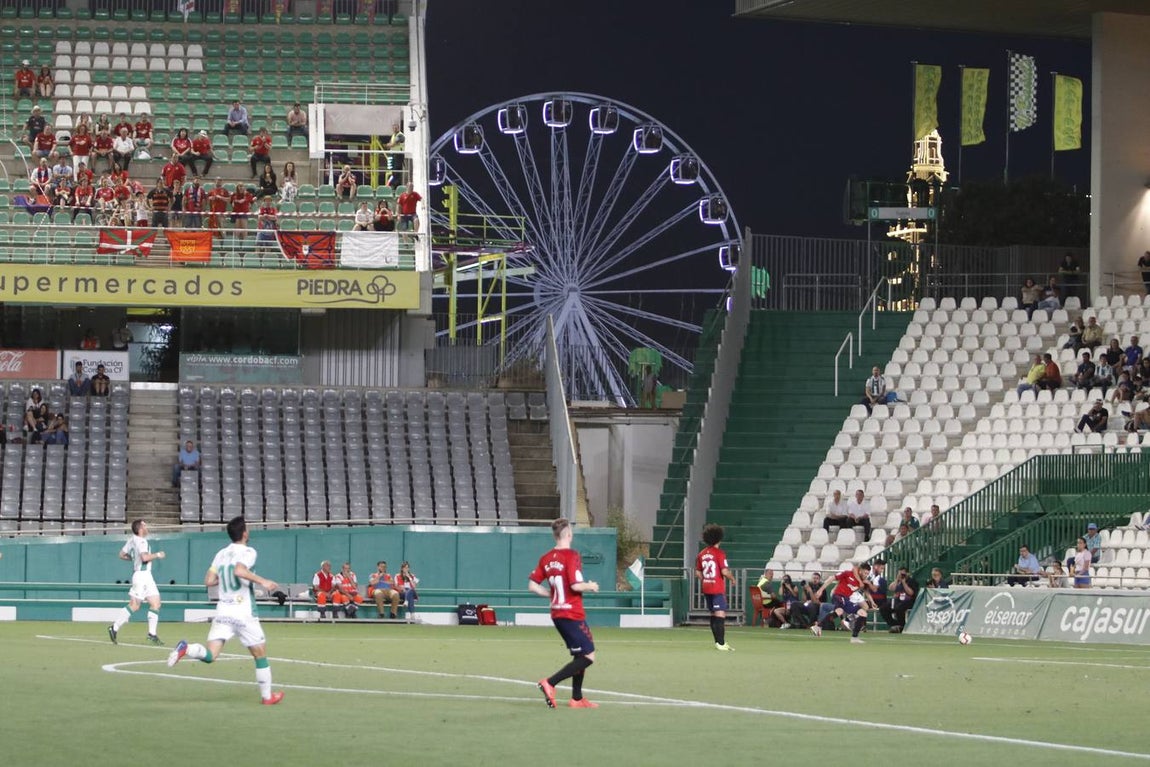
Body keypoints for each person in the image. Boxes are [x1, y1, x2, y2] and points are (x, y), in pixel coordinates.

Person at [166, 516, 285, 706]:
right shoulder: (249, 551)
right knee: (260, 654)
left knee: (211, 655)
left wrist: (224, 578)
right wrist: (264, 582)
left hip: (223, 611)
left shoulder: (221, 553)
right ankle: (267, 696)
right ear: (244, 533)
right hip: (243, 611)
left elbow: (208, 580)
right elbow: (239, 570)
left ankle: (186, 648)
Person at [529, 518, 601, 709]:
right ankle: (550, 683)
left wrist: (551, 595)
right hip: (572, 613)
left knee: (580, 656)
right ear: (568, 534)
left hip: (557, 614)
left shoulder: (546, 558)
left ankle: (576, 698)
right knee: (588, 656)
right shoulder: (571, 555)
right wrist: (591, 586)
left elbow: (532, 586)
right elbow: (575, 585)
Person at [108, 519, 166, 645]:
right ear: (140, 529)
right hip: (141, 576)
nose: (147, 528)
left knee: (156, 603)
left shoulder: (132, 539)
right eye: (145, 526)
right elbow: (145, 558)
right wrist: (158, 555)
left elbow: (122, 555)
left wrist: (134, 559)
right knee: (134, 605)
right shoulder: (142, 541)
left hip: (146, 576)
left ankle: (152, 634)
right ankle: (114, 627)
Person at [695, 523, 736, 651]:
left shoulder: (701, 554)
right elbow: (724, 571)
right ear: (719, 538)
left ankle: (718, 642)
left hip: (706, 587)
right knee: (720, 614)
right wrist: (732, 578)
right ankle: (721, 643)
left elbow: (697, 572)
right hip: (717, 588)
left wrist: (705, 579)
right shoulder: (719, 553)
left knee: (713, 613)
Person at [815, 562, 871, 643]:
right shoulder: (847, 573)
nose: (866, 575)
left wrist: (871, 601)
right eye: (865, 573)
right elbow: (832, 578)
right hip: (838, 595)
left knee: (862, 613)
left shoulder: (861, 582)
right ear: (860, 571)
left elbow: (866, 590)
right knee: (841, 611)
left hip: (847, 599)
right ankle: (820, 626)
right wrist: (821, 590)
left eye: (868, 574)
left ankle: (854, 638)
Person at [880, 566, 918, 633]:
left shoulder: (911, 581)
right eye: (900, 574)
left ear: (907, 574)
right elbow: (891, 588)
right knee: (883, 608)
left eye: (903, 574)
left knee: (899, 608)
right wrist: (897, 580)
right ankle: (894, 624)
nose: (902, 576)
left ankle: (902, 625)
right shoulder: (898, 581)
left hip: (908, 601)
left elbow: (911, 593)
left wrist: (904, 583)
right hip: (897, 600)